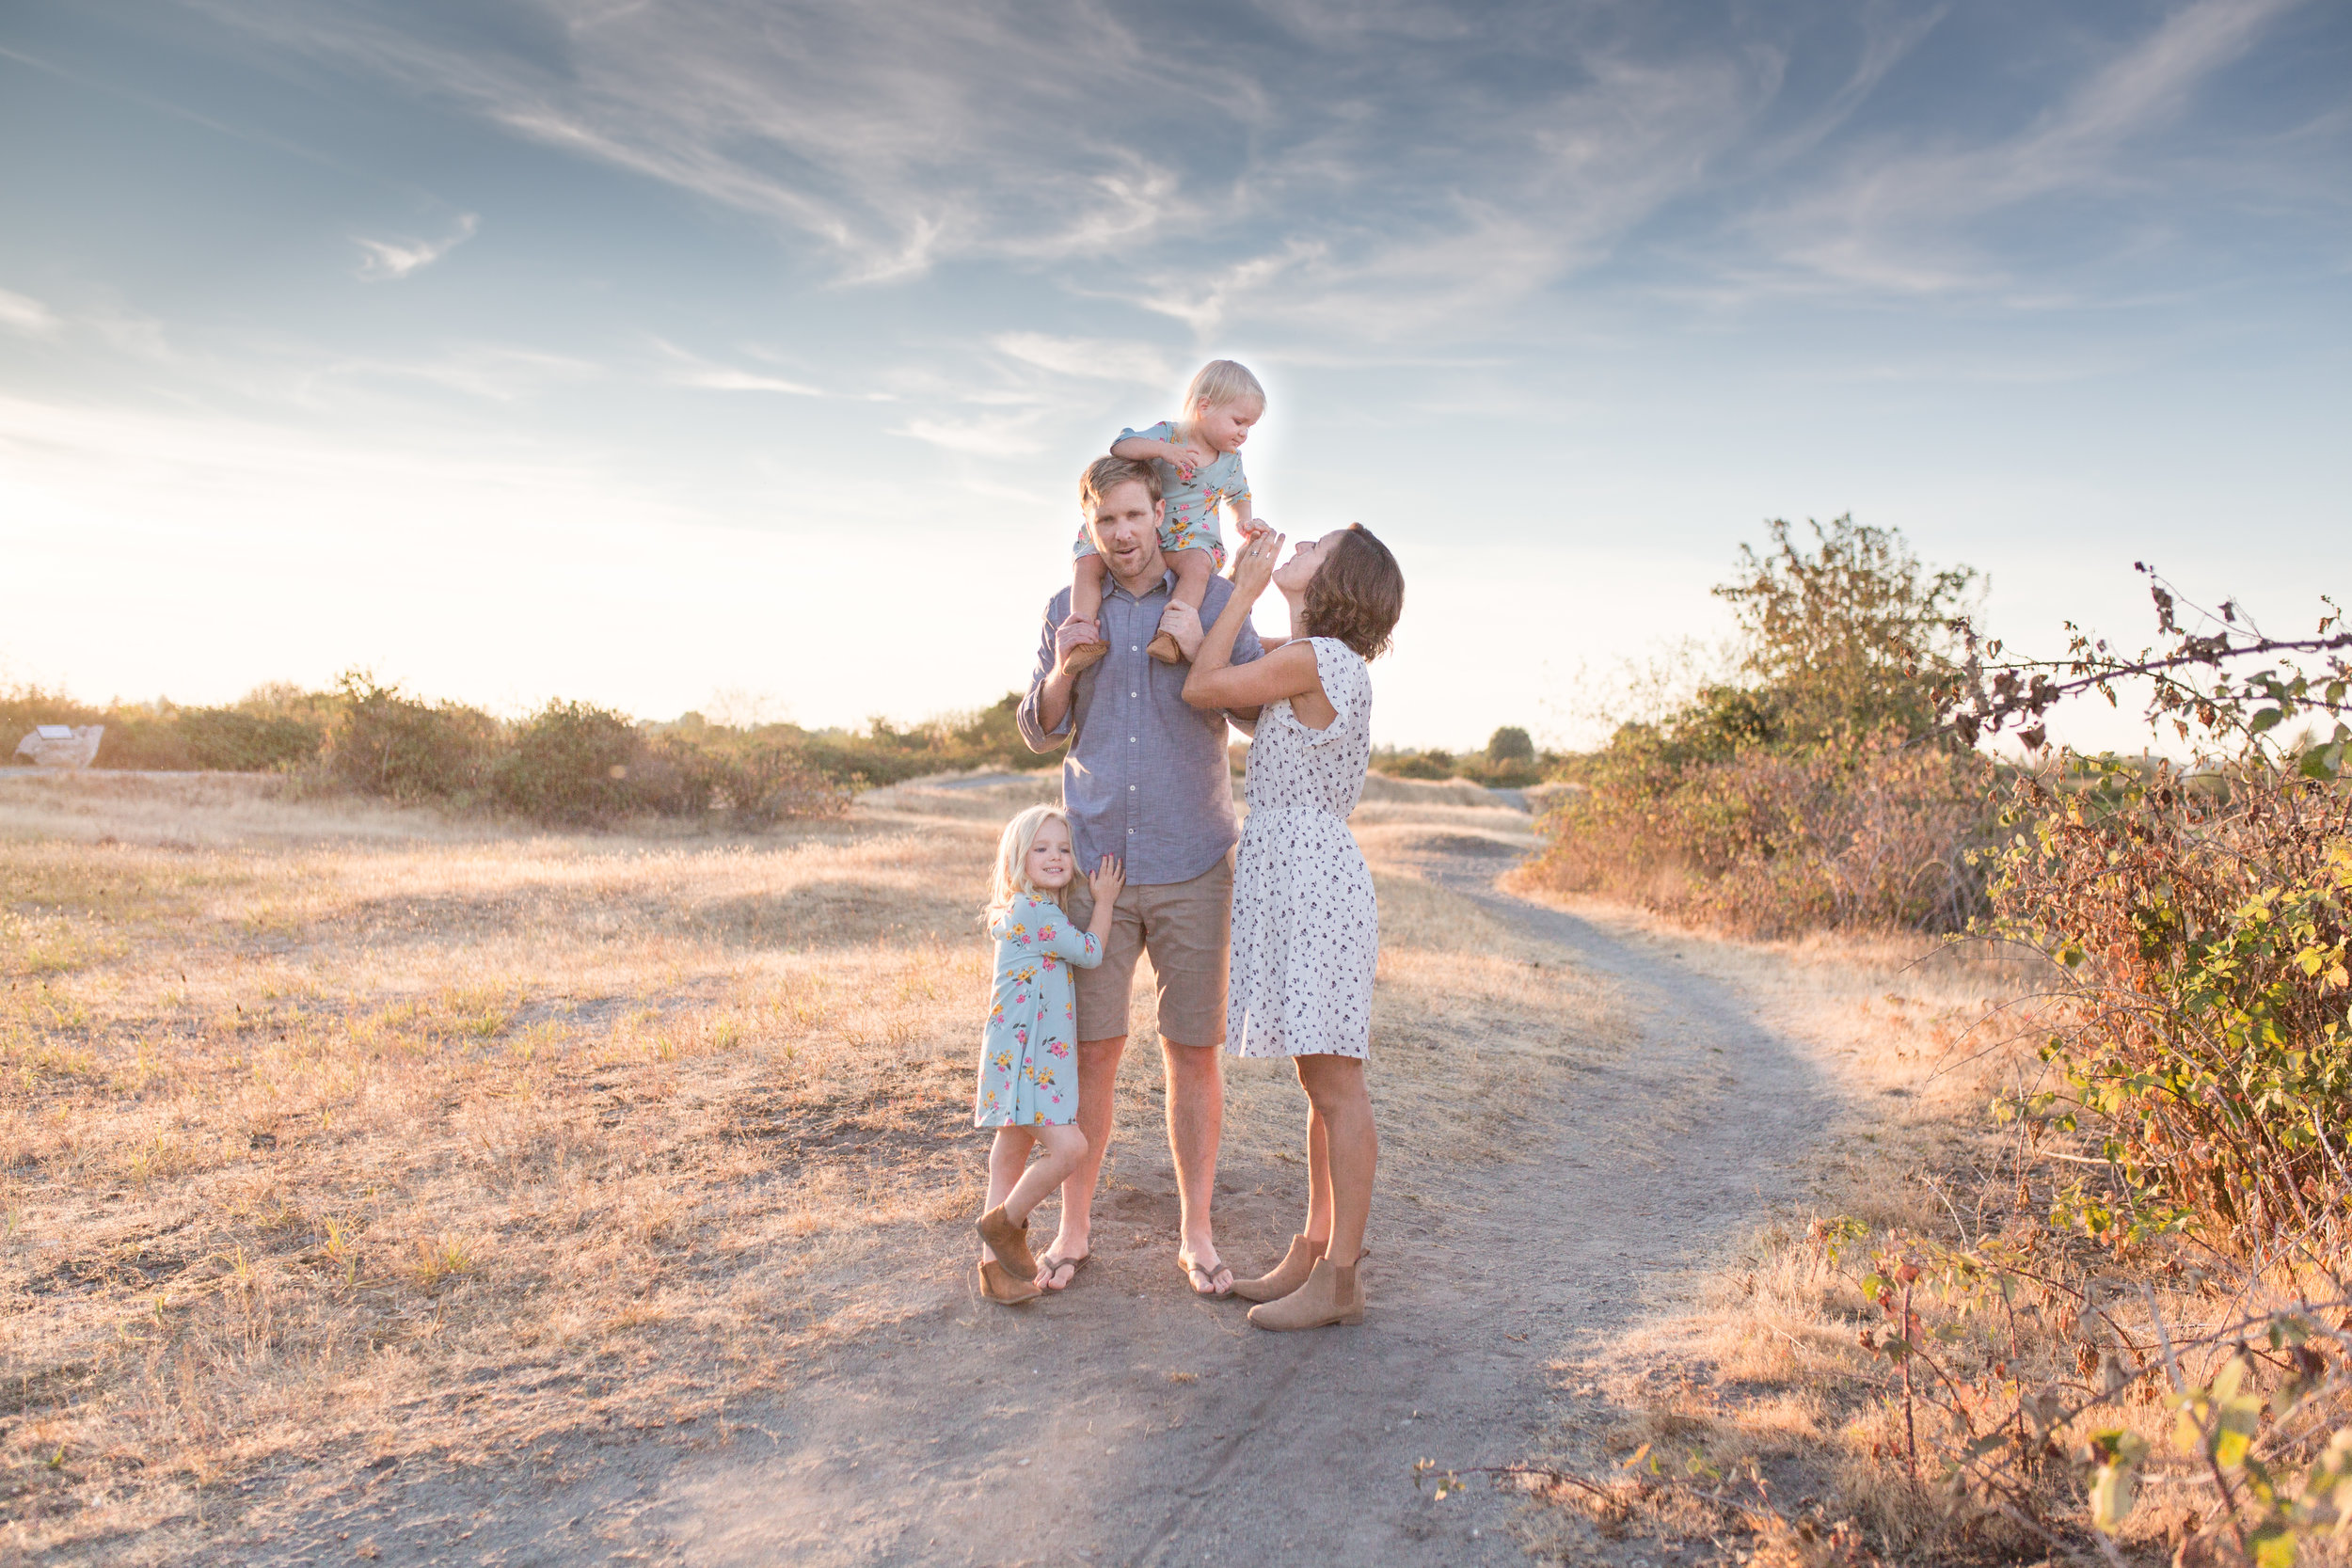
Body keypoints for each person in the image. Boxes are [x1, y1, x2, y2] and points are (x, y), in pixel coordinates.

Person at [1017, 454, 1266, 1296]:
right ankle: (1073, 1227)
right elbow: (1038, 728)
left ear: (1162, 512)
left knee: (1192, 1052)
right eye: (1104, 523)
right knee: (1092, 1053)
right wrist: (1063, 671)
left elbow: (1256, 707)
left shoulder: (1211, 597)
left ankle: (1196, 1231)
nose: (1121, 535)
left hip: (1195, 858)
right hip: (1095, 869)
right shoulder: (1067, 608)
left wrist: (1209, 651)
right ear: (1088, 531)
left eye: (1133, 516)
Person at [1172, 522, 1405, 1331]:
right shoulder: (1312, 661)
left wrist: (1241, 585)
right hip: (1302, 879)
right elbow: (1239, 685)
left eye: (1320, 541)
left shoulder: (1315, 660)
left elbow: (1204, 688)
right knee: (1320, 1079)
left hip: (1313, 883)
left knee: (1338, 1083)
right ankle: (1313, 1250)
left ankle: (1341, 1278)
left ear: (1339, 576)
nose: (1301, 539)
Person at [971, 805, 1124, 1305]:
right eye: (1041, 849)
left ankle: (996, 1273)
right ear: (1018, 858)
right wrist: (1104, 900)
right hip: (1027, 1062)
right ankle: (1007, 1223)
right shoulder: (1035, 913)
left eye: (1063, 848)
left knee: (1011, 1152)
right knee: (1070, 1148)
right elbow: (1091, 951)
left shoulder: (1025, 910)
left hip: (1016, 1057)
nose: (1055, 857)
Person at [1061, 360, 1264, 670]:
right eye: (1238, 421)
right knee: (1087, 565)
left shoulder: (1231, 461)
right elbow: (1120, 446)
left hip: (1188, 535)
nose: (1244, 433)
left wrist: (1243, 520)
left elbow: (1238, 495)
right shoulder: (1169, 435)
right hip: (1141, 531)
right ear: (1205, 406)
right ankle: (1082, 637)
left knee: (1197, 567)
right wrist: (1162, 451)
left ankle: (1170, 634)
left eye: (1249, 426)